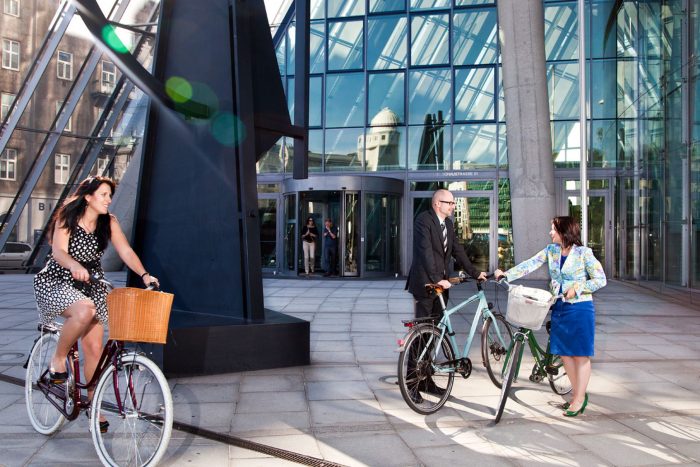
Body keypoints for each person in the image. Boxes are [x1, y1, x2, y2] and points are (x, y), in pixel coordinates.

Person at [33, 176, 158, 431]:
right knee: (84, 310)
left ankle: (94, 409)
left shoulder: (108, 222)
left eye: (110, 196)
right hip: (57, 279)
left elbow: (125, 251)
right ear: (88, 197)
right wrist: (75, 266)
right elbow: (59, 252)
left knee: (94, 349)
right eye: (103, 195)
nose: (108, 200)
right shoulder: (67, 216)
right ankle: (58, 360)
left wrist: (144, 274)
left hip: (91, 284)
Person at [495, 215, 606, 417]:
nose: (550, 232)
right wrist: (507, 274)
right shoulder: (551, 250)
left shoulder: (584, 253)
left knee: (580, 354)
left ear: (564, 231)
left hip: (580, 309)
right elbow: (530, 264)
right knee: (564, 353)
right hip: (559, 307)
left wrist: (578, 287)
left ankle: (579, 398)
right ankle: (576, 395)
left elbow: (601, 279)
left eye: (553, 229)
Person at [406, 189, 488, 318]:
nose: (453, 206)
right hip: (426, 284)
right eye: (450, 203)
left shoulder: (448, 224)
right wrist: (437, 280)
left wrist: (474, 272)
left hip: (442, 285)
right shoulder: (424, 220)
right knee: (424, 328)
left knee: (438, 326)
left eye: (453, 203)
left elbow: (458, 251)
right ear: (438, 203)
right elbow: (426, 253)